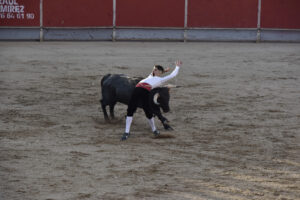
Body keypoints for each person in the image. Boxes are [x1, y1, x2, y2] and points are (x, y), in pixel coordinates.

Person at [121, 60, 182, 141]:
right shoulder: (151, 76)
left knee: (148, 112)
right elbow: (157, 73)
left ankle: (154, 130)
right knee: (130, 110)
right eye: (153, 69)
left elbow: (173, 75)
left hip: (145, 92)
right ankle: (126, 132)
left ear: (159, 72)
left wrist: (177, 67)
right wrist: (164, 71)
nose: (154, 70)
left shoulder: (161, 79)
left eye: (156, 69)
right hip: (136, 90)